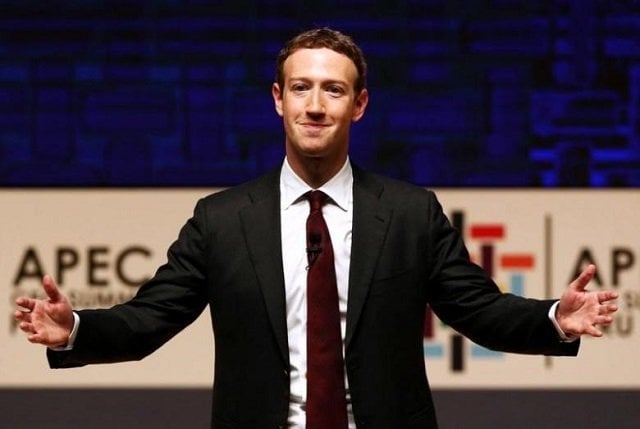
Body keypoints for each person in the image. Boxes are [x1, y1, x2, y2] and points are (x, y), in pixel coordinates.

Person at [14, 28, 618, 429]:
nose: (315, 104)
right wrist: (77, 330)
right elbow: (151, 319)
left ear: (359, 105)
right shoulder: (222, 220)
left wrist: (552, 320)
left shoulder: (410, 213)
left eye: (334, 89)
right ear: (277, 99)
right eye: (301, 88)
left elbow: (477, 309)